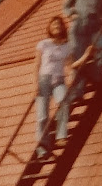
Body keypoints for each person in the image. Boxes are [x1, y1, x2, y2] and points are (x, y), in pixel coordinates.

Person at [35, 16, 87, 159]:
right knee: (42, 116)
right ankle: (42, 147)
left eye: (59, 24)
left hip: (58, 80)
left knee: (64, 101)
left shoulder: (66, 46)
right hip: (44, 79)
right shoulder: (43, 44)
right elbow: (37, 65)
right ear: (50, 28)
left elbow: (71, 65)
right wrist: (35, 84)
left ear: (62, 28)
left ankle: (61, 135)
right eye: (54, 25)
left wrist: (87, 55)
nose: (56, 26)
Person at [63, 0, 102, 100]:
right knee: (78, 56)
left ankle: (95, 72)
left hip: (95, 26)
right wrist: (72, 14)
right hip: (79, 27)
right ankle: (78, 90)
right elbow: (65, 7)